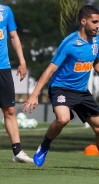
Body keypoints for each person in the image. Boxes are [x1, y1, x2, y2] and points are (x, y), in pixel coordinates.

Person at [22, 5, 99, 176]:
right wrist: (34, 95)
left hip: (82, 92)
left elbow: (96, 62)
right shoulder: (69, 43)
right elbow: (50, 69)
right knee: (63, 119)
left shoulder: (97, 41)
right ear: (83, 21)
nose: (98, 25)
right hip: (61, 88)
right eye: (94, 22)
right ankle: (44, 146)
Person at [0, 4, 33, 163]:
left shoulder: (6, 11)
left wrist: (22, 61)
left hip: (3, 68)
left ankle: (17, 151)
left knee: (10, 110)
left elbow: (13, 36)